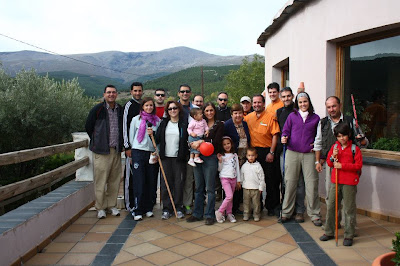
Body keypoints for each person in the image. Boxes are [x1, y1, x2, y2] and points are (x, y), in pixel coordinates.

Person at [314, 96, 368, 206]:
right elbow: (318, 143)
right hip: (332, 163)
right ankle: (334, 222)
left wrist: (361, 139)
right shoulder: (323, 123)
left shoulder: (350, 121)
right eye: (328, 107)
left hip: (348, 163)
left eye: (334, 106)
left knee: (347, 196)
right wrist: (317, 161)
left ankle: (347, 222)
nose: (331, 109)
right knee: (331, 194)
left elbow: (364, 143)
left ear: (340, 105)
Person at [280, 92, 322, 226]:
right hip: (293, 153)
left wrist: (315, 146)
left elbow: (318, 137)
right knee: (290, 183)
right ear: (297, 104)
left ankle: (314, 214)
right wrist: (284, 137)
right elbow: (285, 131)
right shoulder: (292, 116)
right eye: (300, 102)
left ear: (309, 102)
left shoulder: (316, 118)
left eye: (305, 102)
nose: (303, 104)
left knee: (311, 185)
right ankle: (286, 212)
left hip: (309, 154)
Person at [320, 122, 362, 247]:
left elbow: (358, 166)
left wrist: (342, 166)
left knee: (349, 208)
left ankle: (349, 234)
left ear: (348, 135)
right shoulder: (334, 148)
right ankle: (329, 231)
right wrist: (333, 157)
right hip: (336, 181)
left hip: (349, 182)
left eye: (344, 136)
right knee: (332, 206)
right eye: (339, 136)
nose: (341, 138)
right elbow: (329, 162)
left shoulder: (355, 149)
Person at [85, 85, 123, 219]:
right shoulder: (97, 109)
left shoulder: (120, 110)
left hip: (116, 150)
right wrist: (97, 141)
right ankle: (100, 207)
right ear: (104, 94)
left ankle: (111, 205)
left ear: (116, 94)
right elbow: (89, 127)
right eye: (109, 93)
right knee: (101, 180)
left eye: (113, 92)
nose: (111, 95)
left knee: (114, 179)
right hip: (101, 152)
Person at [186, 102, 224, 225]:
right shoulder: (198, 123)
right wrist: (192, 144)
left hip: (210, 157)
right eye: (206, 111)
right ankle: (197, 213)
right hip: (198, 156)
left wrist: (201, 141)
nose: (209, 113)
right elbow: (190, 138)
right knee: (198, 187)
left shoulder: (218, 125)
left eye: (211, 110)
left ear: (215, 111)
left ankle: (209, 214)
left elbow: (217, 141)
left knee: (210, 188)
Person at [244, 94, 281, 217]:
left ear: (264, 103)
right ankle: (256, 207)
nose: (256, 105)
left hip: (267, 151)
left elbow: (275, 135)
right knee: (254, 180)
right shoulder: (248, 118)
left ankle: (272, 206)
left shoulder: (271, 117)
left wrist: (271, 152)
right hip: (253, 152)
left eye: (259, 102)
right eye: (254, 103)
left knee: (271, 180)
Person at [276, 87, 306, 223]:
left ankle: (299, 210)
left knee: (299, 181)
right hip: (284, 150)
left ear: (293, 96)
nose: (286, 99)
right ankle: (287, 208)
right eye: (284, 97)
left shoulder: (299, 111)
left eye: (289, 96)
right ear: (280, 98)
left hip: (298, 150)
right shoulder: (279, 112)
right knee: (287, 181)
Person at [129, 97, 160, 221]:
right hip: (138, 152)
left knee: (151, 180)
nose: (149, 108)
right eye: (146, 105)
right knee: (139, 180)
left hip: (151, 152)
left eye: (151, 105)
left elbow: (159, 139)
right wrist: (134, 150)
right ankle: (138, 209)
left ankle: (148, 207)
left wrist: (157, 149)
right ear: (142, 107)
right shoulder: (136, 120)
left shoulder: (157, 121)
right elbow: (132, 137)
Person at [155, 101, 188, 220]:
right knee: (165, 183)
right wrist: (151, 133)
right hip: (165, 157)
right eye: (170, 109)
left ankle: (178, 207)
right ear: (167, 111)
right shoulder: (164, 123)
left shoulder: (184, 124)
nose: (172, 111)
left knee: (179, 183)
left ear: (179, 109)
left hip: (179, 158)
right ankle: (167, 208)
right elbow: (157, 137)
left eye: (174, 108)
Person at [223, 103, 251, 214]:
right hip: (232, 158)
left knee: (241, 182)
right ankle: (230, 209)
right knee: (231, 183)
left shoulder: (245, 124)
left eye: (240, 113)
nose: (238, 115)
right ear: (231, 114)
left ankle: (237, 206)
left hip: (245, 157)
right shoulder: (227, 125)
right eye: (235, 113)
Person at [123, 82, 143, 212]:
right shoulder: (128, 106)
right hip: (132, 149)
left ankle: (142, 203)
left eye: (139, 90)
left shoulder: (143, 105)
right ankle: (129, 204)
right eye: (135, 91)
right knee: (130, 177)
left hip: (143, 149)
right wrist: (127, 146)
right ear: (131, 92)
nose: (137, 93)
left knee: (141, 178)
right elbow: (124, 126)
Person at [178, 84, 196, 215]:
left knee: (189, 178)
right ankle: (177, 204)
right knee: (177, 178)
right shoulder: (174, 107)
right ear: (179, 93)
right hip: (176, 148)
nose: (185, 93)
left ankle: (187, 203)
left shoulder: (195, 109)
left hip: (191, 148)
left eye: (187, 91)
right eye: (182, 91)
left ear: (190, 93)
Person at [215, 136, 241, 223]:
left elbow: (237, 168)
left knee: (230, 197)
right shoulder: (221, 156)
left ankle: (229, 213)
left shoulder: (235, 155)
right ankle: (220, 212)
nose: (227, 146)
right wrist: (220, 161)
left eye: (228, 143)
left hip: (233, 178)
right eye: (224, 144)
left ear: (231, 144)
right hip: (224, 178)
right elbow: (219, 169)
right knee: (229, 196)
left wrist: (238, 180)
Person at [240, 148, 266, 221]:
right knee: (246, 202)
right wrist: (242, 183)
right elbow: (242, 175)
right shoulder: (244, 166)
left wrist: (261, 187)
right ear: (246, 156)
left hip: (256, 189)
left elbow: (262, 177)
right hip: (246, 188)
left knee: (256, 203)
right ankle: (246, 214)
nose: (251, 157)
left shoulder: (258, 166)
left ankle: (256, 214)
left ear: (256, 156)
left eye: (252, 155)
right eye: (249, 155)